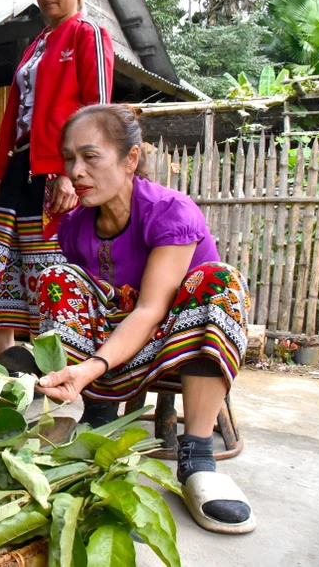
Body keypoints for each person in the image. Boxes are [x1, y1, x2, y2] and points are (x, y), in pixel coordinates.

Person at [33, 103, 255, 534]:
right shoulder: (75, 226)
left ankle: (198, 458)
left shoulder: (170, 211)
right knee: (58, 278)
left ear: (130, 159)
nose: (75, 171)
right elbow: (97, 303)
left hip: (180, 343)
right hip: (119, 345)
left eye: (90, 156)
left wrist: (93, 365)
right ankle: (96, 422)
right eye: (68, 158)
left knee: (216, 281)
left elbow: (151, 309)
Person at [0, 0, 113, 356]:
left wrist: (75, 172)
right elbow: (13, 112)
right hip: (19, 163)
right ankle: (3, 351)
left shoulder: (86, 34)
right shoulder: (35, 46)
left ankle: (55, 353)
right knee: (5, 251)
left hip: (57, 166)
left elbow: (98, 112)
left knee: (46, 256)